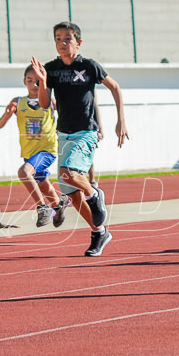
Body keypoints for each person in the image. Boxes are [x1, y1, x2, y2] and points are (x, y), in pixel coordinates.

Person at [31, 21, 128, 257]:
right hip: (63, 133)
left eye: (67, 39)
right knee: (73, 195)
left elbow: (114, 87)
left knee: (69, 172)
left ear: (78, 42)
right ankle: (99, 232)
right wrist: (42, 81)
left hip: (86, 131)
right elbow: (44, 104)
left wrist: (120, 120)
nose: (62, 43)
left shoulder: (89, 66)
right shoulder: (51, 69)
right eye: (57, 39)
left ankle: (95, 195)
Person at [0, 64, 67, 228]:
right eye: (30, 81)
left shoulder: (49, 102)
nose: (34, 85)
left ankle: (43, 208)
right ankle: (58, 205)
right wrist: (7, 115)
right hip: (29, 152)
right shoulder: (18, 102)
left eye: (38, 81)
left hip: (47, 149)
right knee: (43, 185)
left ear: (44, 82)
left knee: (24, 172)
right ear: (24, 82)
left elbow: (66, 116)